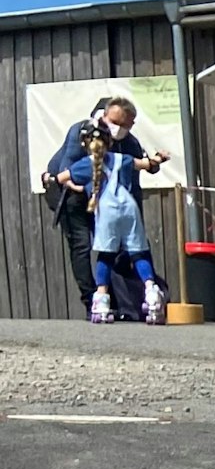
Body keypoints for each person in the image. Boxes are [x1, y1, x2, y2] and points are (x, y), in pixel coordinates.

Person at [41, 97, 159, 314]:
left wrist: (133, 221)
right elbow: (70, 173)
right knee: (82, 245)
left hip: (104, 196)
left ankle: (118, 299)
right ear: (104, 116)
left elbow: (132, 184)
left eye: (127, 124)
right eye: (116, 122)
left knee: (113, 245)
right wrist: (97, 198)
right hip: (71, 190)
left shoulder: (130, 143)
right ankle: (92, 301)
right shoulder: (81, 132)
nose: (120, 128)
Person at [59, 127, 169, 324]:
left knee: (106, 254)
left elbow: (61, 179)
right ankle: (152, 292)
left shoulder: (85, 164)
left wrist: (48, 179)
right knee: (138, 252)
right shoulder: (123, 159)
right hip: (129, 208)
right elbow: (147, 163)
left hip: (106, 210)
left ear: (85, 145)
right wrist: (159, 158)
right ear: (110, 142)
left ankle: (101, 300)